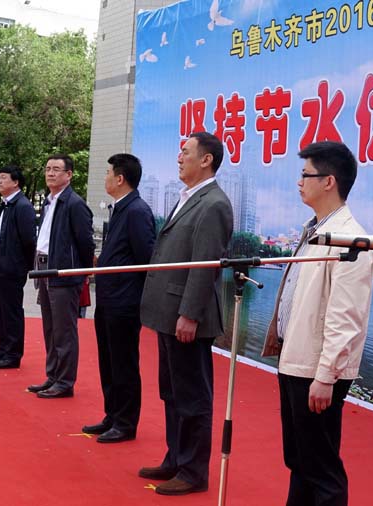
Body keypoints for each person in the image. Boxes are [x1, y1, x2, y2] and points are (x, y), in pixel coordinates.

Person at [260, 141, 373, 506]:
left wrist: (326, 376)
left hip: (316, 370)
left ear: (329, 182)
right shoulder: (315, 229)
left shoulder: (351, 240)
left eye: (305, 174)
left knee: (322, 469)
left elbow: (346, 318)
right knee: (300, 460)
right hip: (296, 360)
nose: (299, 182)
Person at [138, 132, 234, 496]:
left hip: (186, 316)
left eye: (186, 152)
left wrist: (190, 314)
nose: (179, 158)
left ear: (206, 160)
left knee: (192, 396)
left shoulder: (214, 204)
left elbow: (205, 264)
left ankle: (193, 471)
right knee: (172, 392)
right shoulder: (188, 197)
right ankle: (175, 458)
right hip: (167, 311)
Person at [82, 153, 155, 443]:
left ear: (120, 178)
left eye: (108, 173)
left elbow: (145, 258)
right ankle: (112, 415)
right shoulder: (121, 209)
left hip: (124, 302)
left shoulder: (137, 211)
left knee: (123, 363)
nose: (106, 178)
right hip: (108, 299)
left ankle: (125, 422)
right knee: (108, 360)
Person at [27, 155, 94, 399]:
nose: (51, 173)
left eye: (56, 169)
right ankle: (53, 376)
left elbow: (85, 243)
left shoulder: (75, 204)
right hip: (45, 269)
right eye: (48, 169)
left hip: (64, 273)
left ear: (69, 175)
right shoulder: (49, 202)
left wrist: (81, 272)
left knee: (65, 331)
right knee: (50, 328)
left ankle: (65, 381)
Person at [0, 166, 36, 369]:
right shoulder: (6, 204)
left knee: (12, 310)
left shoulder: (22, 206)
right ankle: (3, 349)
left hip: (13, 264)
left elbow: (29, 240)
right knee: (1, 309)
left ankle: (13, 354)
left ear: (16, 182)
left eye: (3, 177)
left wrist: (23, 265)